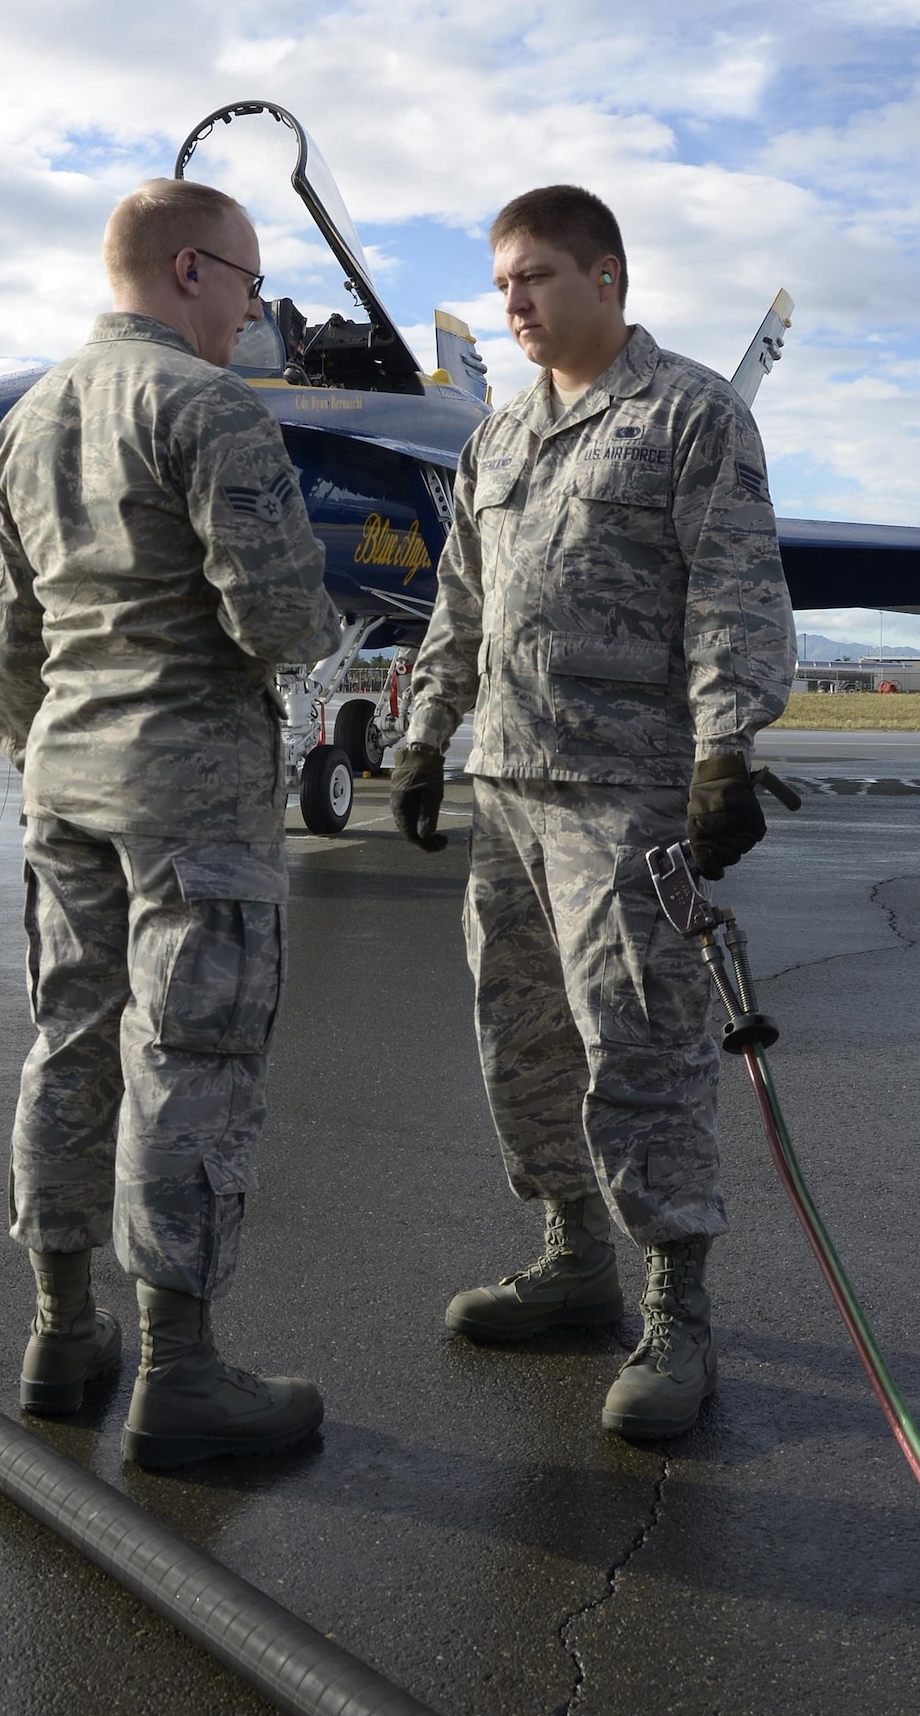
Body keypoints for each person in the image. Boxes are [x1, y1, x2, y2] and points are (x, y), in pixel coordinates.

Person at [390, 185, 794, 1440]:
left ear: (607, 278)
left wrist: (724, 747)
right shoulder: (495, 437)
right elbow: (460, 601)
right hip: (507, 790)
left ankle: (677, 1300)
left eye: (537, 277)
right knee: (520, 1041)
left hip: (627, 798)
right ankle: (573, 1255)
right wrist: (420, 736)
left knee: (645, 1045)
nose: (513, 301)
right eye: (502, 281)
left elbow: (733, 589)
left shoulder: (689, 415)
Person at [0, 176, 340, 1471]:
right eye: (247, 285)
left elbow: (9, 645)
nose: (254, 312)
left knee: (69, 1045)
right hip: (190, 793)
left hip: (65, 782)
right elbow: (279, 619)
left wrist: (56, 754)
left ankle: (61, 1337)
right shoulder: (205, 405)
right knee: (190, 1060)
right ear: (191, 272)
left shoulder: (28, 419)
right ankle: (182, 1373)